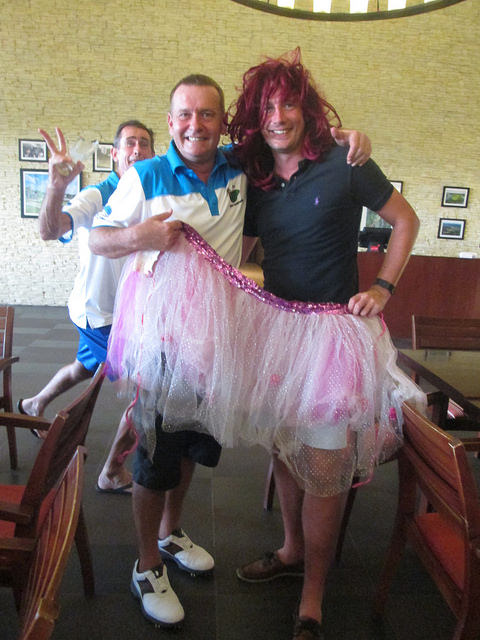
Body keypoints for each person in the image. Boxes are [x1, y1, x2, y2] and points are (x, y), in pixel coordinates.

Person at [89, 74, 371, 628]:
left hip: (217, 347)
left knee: (192, 448)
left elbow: (291, 140)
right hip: (162, 348)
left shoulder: (240, 170)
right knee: (153, 459)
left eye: (207, 115)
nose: (195, 125)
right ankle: (146, 565)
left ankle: (170, 534)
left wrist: (344, 136)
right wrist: (140, 237)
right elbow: (97, 237)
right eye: (184, 114)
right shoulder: (145, 175)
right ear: (170, 121)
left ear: (224, 123)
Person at [226, 49, 423, 640]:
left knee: (327, 468)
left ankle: (313, 593)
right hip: (278, 334)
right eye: (267, 109)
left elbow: (406, 220)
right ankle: (291, 550)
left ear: (307, 109)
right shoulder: (256, 175)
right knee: (285, 449)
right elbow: (240, 244)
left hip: (335, 337)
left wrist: (383, 287)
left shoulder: (346, 161)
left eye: (288, 104)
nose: (278, 117)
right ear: (255, 118)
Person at [18, 121, 155, 493]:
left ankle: (34, 403)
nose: (137, 150)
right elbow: (50, 229)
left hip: (117, 314)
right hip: (101, 316)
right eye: (130, 143)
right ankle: (112, 471)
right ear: (115, 154)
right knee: (149, 393)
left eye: (144, 144)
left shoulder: (151, 196)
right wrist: (57, 186)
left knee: (83, 367)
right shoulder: (98, 194)